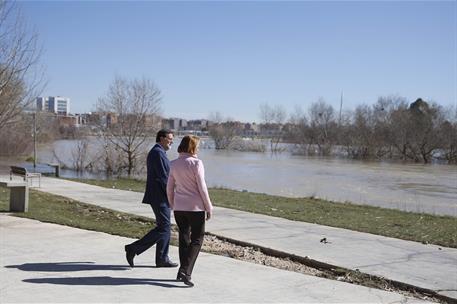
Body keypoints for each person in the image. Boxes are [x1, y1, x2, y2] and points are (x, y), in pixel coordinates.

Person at [124, 129, 178, 268]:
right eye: (169, 138)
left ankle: (162, 258)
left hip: (160, 196)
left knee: (165, 227)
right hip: (159, 196)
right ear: (161, 138)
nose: (172, 141)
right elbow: (163, 178)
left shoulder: (159, 152)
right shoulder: (158, 153)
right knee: (164, 226)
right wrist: (172, 195)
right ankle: (133, 248)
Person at [167, 135, 213, 287]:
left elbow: (169, 187)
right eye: (197, 146)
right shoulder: (196, 163)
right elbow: (202, 187)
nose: (198, 149)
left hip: (179, 208)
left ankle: (182, 270)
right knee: (197, 239)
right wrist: (209, 207)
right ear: (192, 147)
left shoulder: (173, 164)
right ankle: (186, 271)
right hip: (195, 208)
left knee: (184, 239)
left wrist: (173, 204)